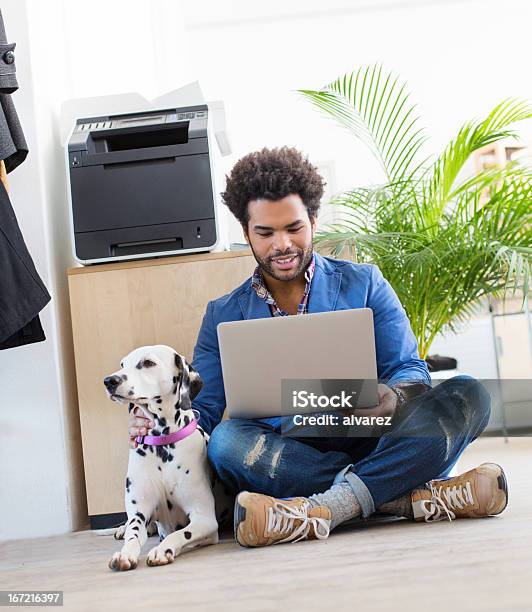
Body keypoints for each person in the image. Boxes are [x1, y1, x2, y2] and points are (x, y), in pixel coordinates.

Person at [129, 147, 508, 547]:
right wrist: (156, 419)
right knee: (226, 443)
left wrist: (392, 395)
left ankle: (321, 508)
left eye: (294, 228)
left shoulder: (366, 283)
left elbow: (410, 369)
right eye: (265, 233)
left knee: (469, 394)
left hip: (370, 430)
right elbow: (201, 412)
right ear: (246, 233)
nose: (282, 244)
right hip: (286, 450)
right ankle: (400, 494)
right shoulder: (222, 314)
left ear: (313, 220)